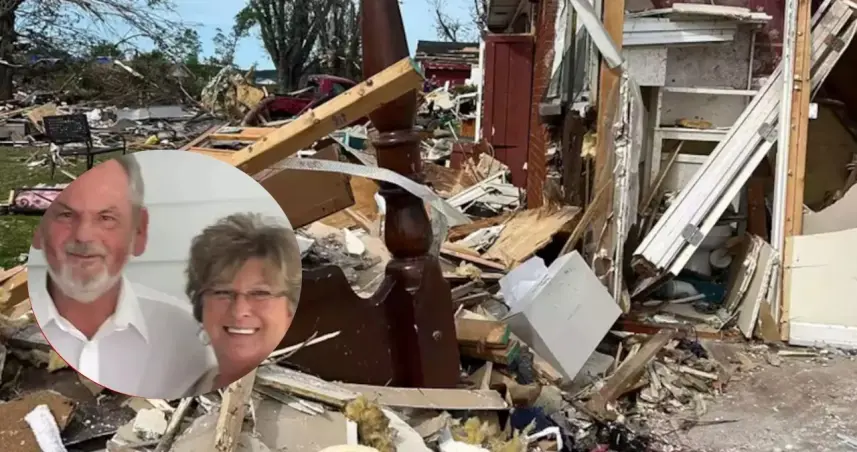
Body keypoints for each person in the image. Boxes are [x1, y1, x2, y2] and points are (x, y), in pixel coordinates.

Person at [30, 155, 211, 399]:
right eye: (66, 215)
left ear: (139, 232)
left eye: (106, 218)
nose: (83, 236)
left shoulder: (188, 337)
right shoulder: (17, 328)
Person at [182, 212, 301, 395]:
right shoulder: (186, 385)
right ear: (201, 304)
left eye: (260, 293)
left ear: (291, 307)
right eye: (222, 292)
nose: (239, 311)